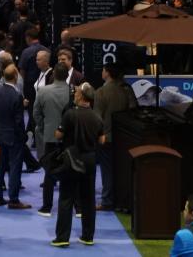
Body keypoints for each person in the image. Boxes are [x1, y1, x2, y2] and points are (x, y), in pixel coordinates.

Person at [51, 83, 104, 247]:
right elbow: (102, 140)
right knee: (88, 199)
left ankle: (62, 238)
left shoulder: (69, 114)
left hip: (72, 159)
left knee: (66, 197)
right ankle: (88, 236)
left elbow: (58, 135)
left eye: (77, 92)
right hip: (90, 159)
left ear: (81, 96)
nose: (74, 94)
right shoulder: (97, 117)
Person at [94, 63, 136, 211]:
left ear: (107, 73)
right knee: (124, 169)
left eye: (103, 70)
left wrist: (100, 135)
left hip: (107, 137)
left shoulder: (101, 92)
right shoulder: (127, 89)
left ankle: (107, 200)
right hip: (126, 137)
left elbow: (97, 118)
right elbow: (133, 111)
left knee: (107, 170)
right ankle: (123, 200)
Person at [34, 63, 73, 216]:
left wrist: (44, 130)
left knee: (49, 173)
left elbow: (36, 114)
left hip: (50, 137)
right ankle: (76, 207)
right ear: (67, 75)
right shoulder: (73, 91)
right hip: (69, 138)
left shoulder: (43, 91)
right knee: (71, 171)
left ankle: (46, 207)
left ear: (54, 74)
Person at [0, 65, 30, 210]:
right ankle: (13, 199)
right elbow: (19, 121)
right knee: (15, 167)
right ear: (15, 76)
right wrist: (23, 136)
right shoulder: (17, 96)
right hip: (14, 137)